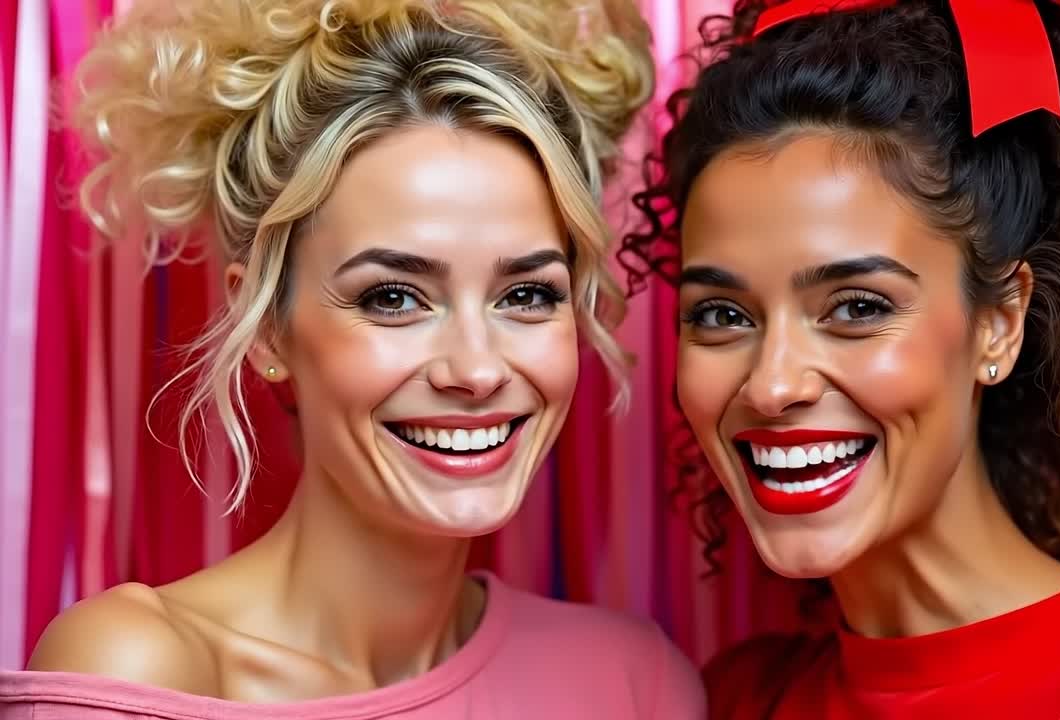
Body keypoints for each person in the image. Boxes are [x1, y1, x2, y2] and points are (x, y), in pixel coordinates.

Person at [0, 1, 706, 718]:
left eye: (526, 295)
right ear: (266, 327)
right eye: (393, 298)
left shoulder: (635, 684)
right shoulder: (144, 672)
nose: (476, 370)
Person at [620, 0, 1060, 717]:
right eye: (722, 315)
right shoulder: (737, 699)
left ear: (998, 323)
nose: (772, 384)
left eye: (857, 308)